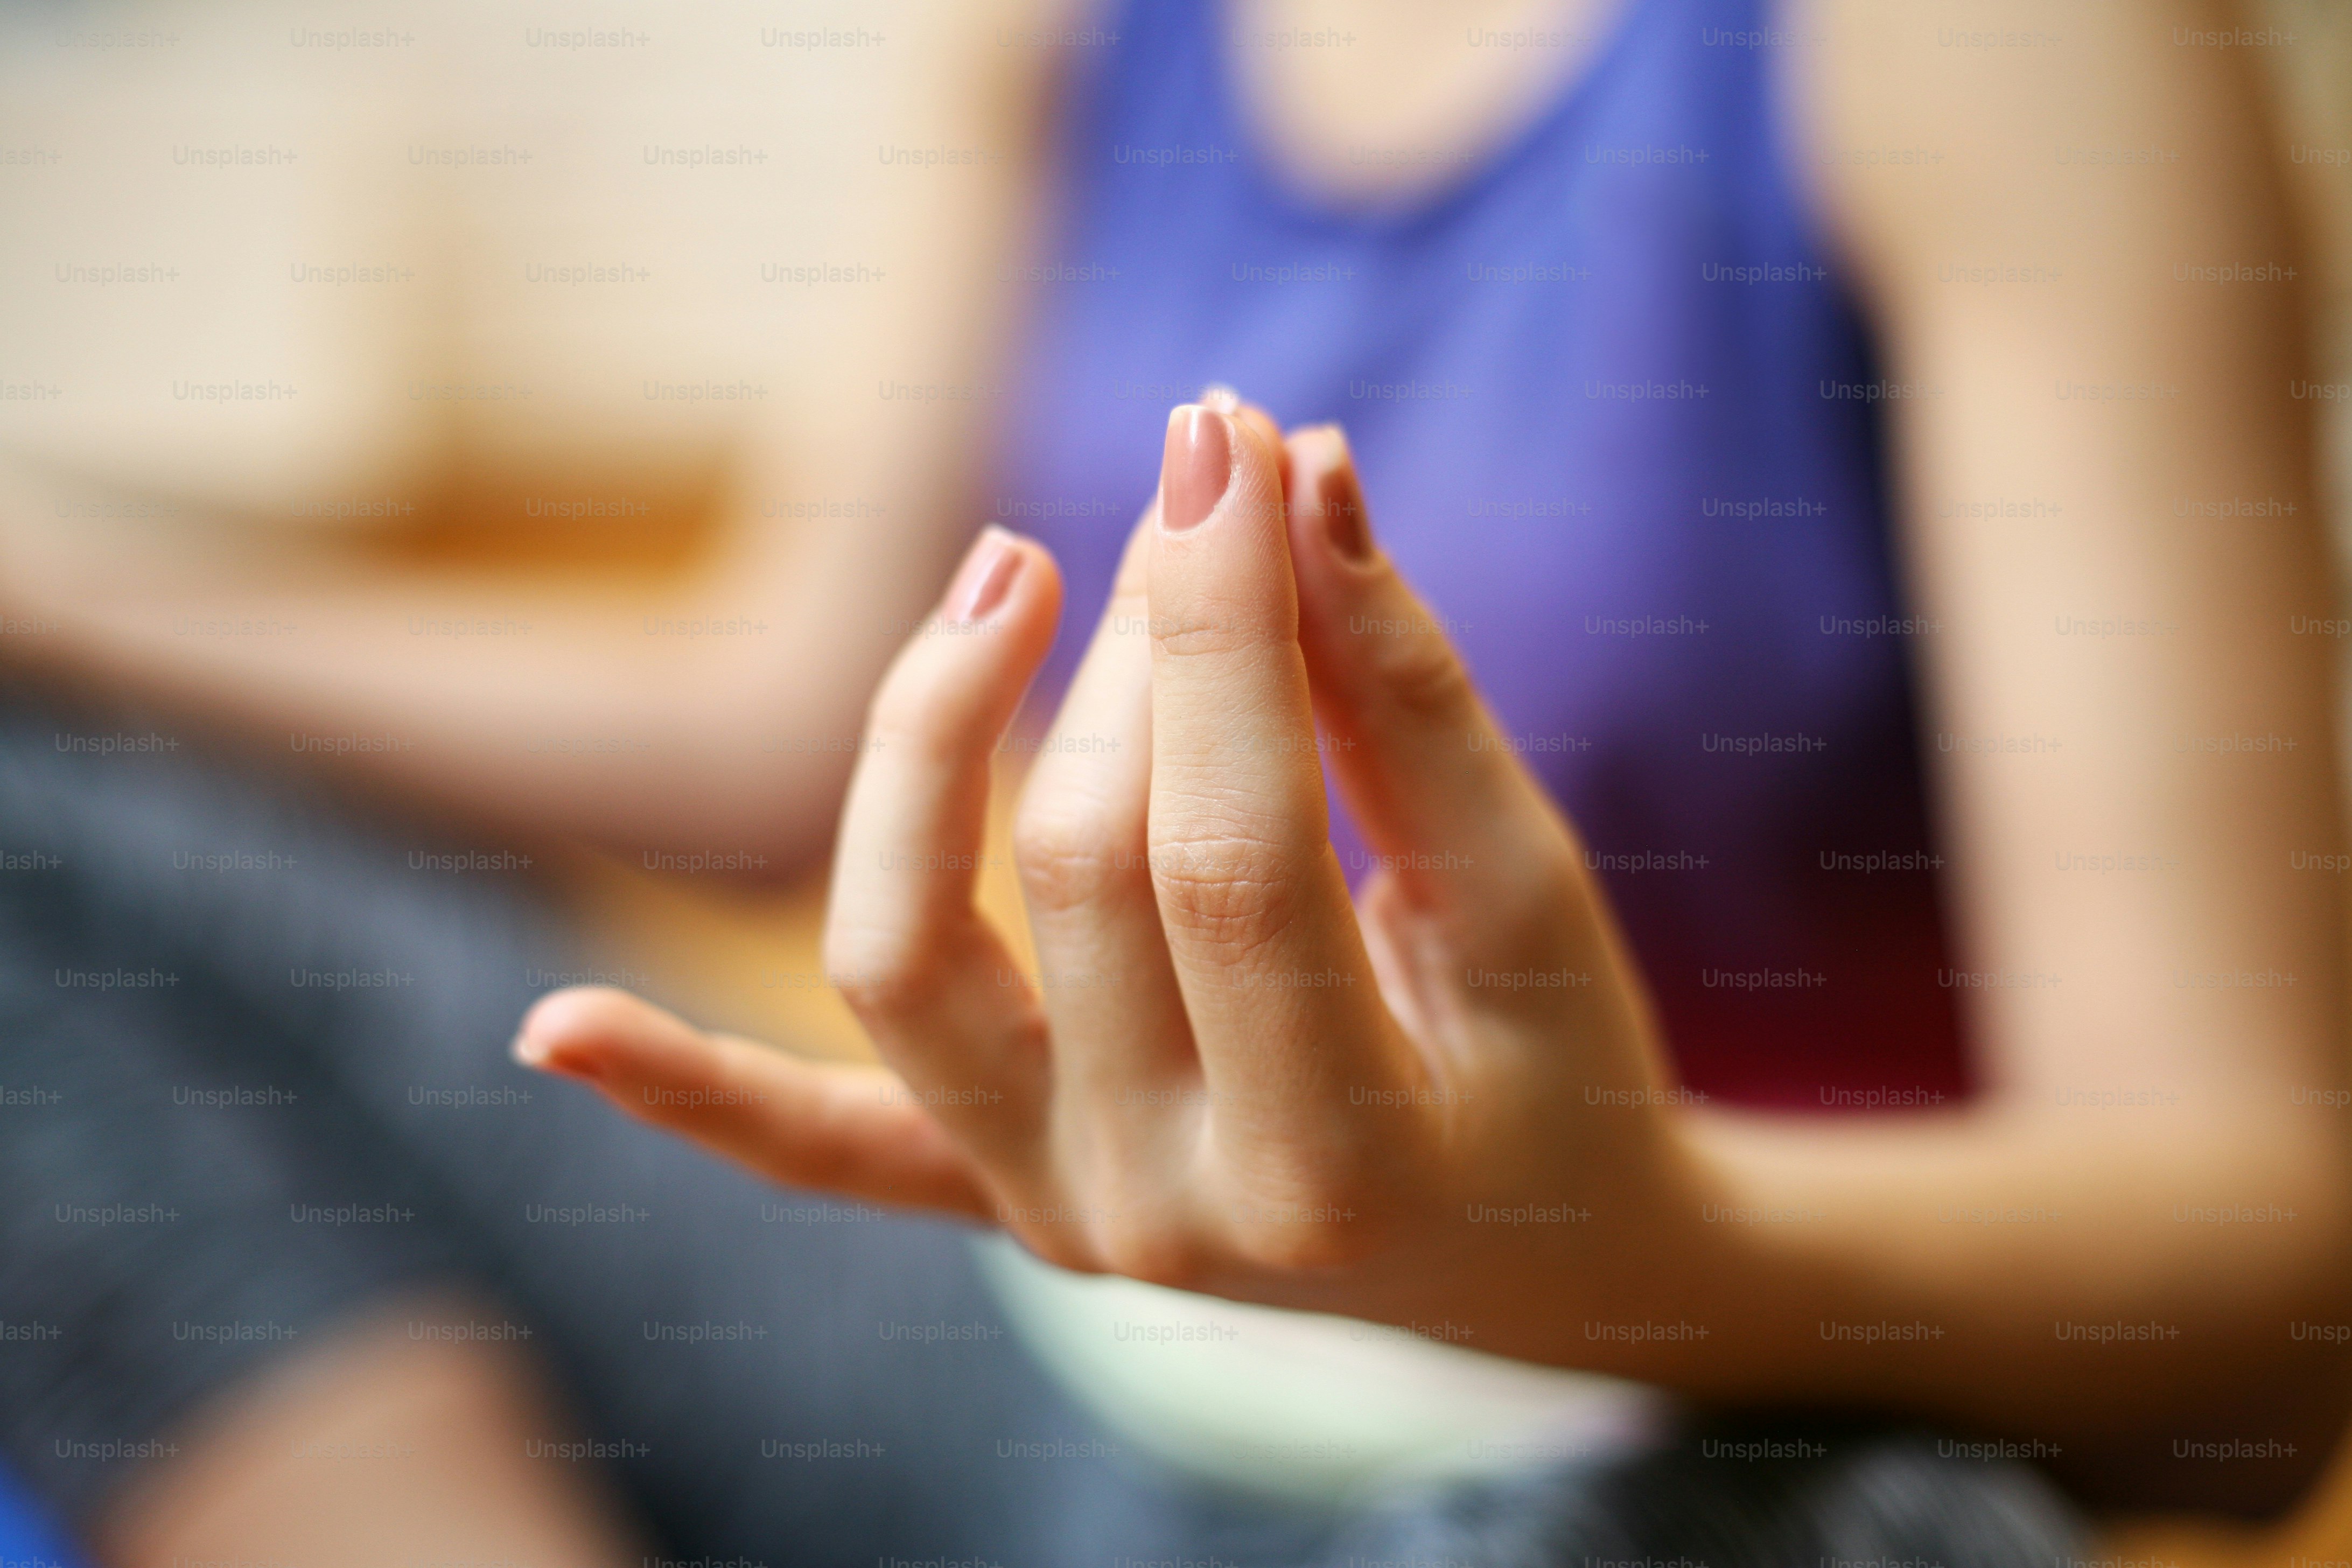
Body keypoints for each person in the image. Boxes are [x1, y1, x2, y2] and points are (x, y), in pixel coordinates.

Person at [0, 0, 2339, 1560]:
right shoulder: (1083, 25)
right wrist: (59, 589)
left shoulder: (1997, 46)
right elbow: (764, 734)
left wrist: (1626, 1252)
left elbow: (2263, 1332)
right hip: (1066, 1341)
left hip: (1695, 1432)